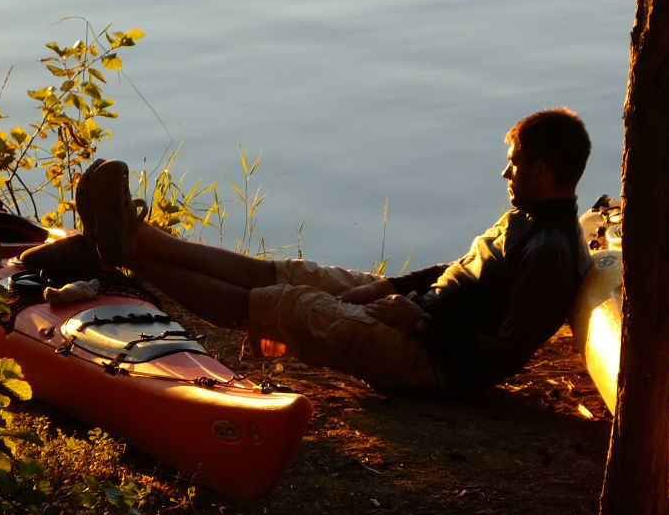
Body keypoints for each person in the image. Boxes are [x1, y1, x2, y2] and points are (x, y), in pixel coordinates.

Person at [80, 107, 592, 392]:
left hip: (432, 361)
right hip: (421, 316)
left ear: (542, 171)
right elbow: (458, 270)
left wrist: (419, 323)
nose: (506, 172)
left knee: (290, 304)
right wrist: (392, 285)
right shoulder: (529, 214)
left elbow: (498, 357)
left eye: (515, 163)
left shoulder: (550, 250)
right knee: (295, 272)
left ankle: (130, 253)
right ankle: (140, 238)